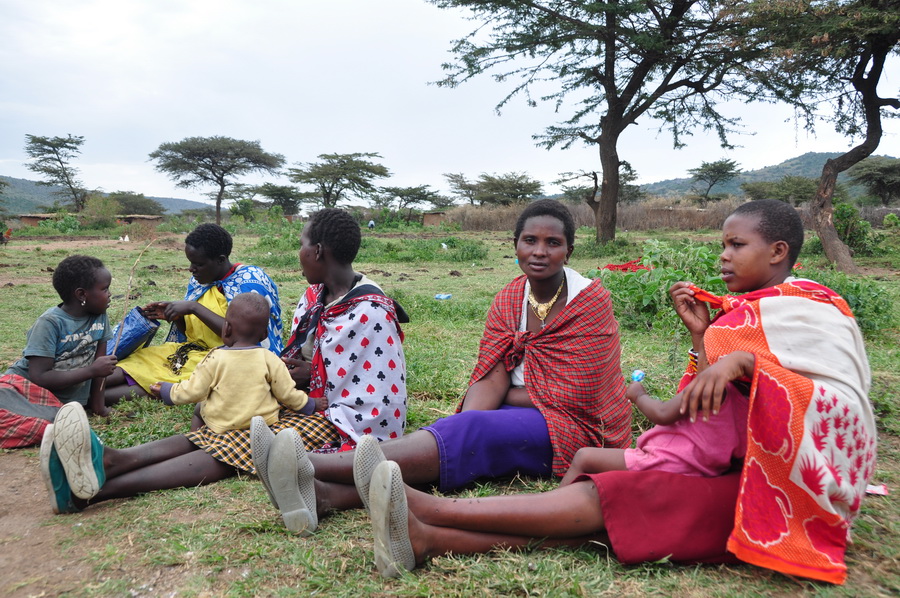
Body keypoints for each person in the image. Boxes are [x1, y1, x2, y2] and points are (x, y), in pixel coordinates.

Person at [356, 199, 876, 585]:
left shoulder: (812, 308)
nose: (722, 256)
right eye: (724, 244)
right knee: (611, 501)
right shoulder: (738, 313)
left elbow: (838, 406)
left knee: (617, 499)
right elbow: (714, 399)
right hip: (728, 461)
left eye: (735, 246)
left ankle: (429, 511)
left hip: (783, 484)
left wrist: (743, 361)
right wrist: (702, 337)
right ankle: (423, 535)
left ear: (779, 251)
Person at [259, 199, 632, 529]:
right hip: (524, 412)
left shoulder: (589, 302)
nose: (539, 251)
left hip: (577, 427)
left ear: (569, 251)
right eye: (529, 240)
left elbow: (576, 395)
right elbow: (491, 378)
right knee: (456, 436)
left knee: (473, 433)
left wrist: (495, 406)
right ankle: (325, 496)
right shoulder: (510, 299)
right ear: (515, 245)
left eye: (553, 243)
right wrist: (465, 424)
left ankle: (311, 465)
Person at [250, 208, 409, 532]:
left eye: (302, 244)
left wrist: (312, 377)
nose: (299, 252)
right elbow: (308, 356)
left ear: (319, 251)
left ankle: (297, 472)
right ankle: (300, 477)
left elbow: (380, 398)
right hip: (313, 403)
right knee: (240, 422)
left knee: (239, 440)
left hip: (350, 421)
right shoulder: (314, 298)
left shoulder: (372, 311)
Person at [103, 223, 282, 404]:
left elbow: (241, 337)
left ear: (220, 260)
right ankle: (87, 387)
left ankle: (92, 397)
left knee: (155, 382)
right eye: (190, 262)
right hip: (189, 351)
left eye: (199, 264)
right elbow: (191, 334)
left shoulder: (249, 282)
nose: (191, 269)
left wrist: (193, 308)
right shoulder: (200, 281)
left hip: (225, 360)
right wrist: (176, 316)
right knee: (138, 362)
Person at [148, 293, 327, 432]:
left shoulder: (214, 358)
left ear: (226, 328)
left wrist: (167, 391)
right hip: (263, 422)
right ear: (264, 334)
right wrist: (311, 404)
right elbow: (287, 394)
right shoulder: (270, 359)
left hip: (222, 423)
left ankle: (195, 438)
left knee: (199, 408)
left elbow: (193, 391)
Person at [558, 377, 749, 484]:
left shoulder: (713, 386)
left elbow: (662, 413)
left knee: (584, 457)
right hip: (704, 470)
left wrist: (638, 395)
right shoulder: (755, 400)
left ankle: (558, 500)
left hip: (667, 461)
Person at [3, 255, 118, 426]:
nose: (109, 294)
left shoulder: (99, 317)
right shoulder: (50, 323)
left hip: (62, 400)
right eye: (105, 289)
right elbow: (40, 376)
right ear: (81, 294)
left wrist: (99, 408)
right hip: (24, 391)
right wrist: (92, 370)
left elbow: (101, 369)